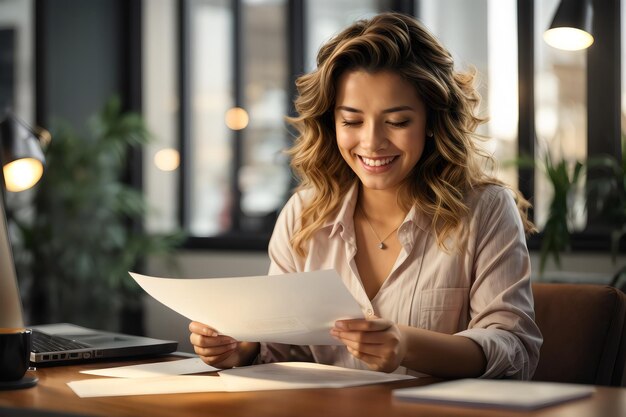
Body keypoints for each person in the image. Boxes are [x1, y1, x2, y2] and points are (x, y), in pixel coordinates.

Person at [189, 12, 542, 379]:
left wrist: (407, 345)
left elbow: (514, 351)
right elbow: (279, 345)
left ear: (433, 122)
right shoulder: (303, 214)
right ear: (331, 124)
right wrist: (240, 348)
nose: (372, 142)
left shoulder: (485, 210)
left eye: (398, 121)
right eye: (352, 121)